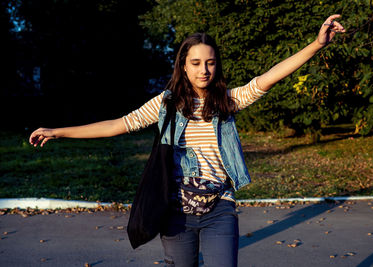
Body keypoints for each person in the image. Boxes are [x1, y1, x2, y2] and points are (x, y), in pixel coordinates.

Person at [30, 15, 345, 267]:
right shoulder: (166, 104)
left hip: (220, 208)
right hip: (176, 212)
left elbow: (268, 78)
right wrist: (58, 131)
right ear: (183, 65)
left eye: (210, 62)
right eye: (195, 63)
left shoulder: (227, 101)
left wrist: (316, 45)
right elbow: (118, 125)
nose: (204, 70)